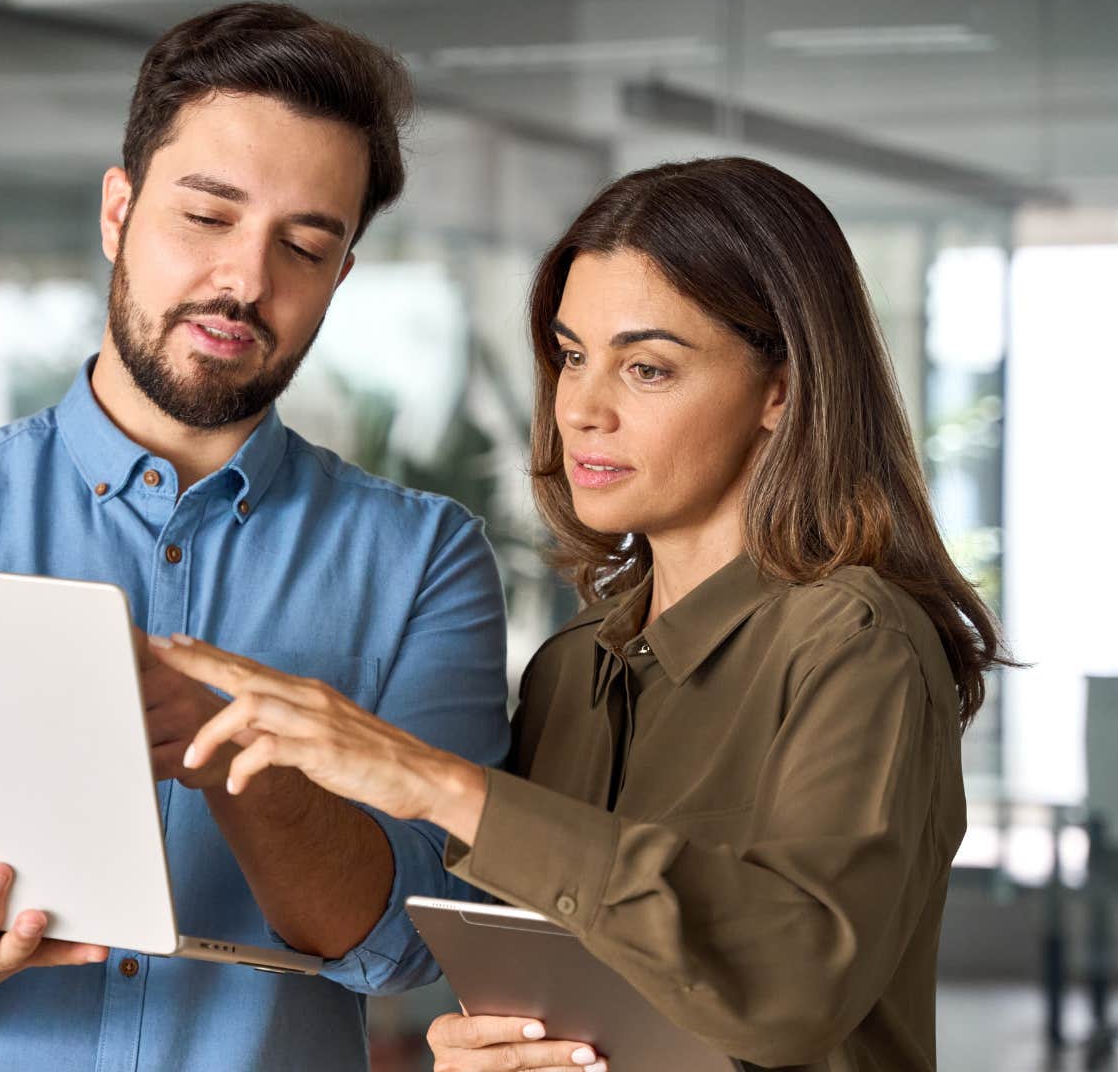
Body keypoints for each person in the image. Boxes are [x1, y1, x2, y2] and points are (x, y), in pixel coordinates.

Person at [0, 3, 512, 1070]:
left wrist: (224, 746)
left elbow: (408, 939)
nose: (246, 279)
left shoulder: (425, 560)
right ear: (118, 210)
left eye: (306, 244)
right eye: (208, 216)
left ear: (340, 277)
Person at [156, 156, 1011, 1072]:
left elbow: (797, 985)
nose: (583, 410)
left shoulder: (857, 642)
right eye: (571, 357)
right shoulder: (570, 672)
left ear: (782, 390)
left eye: (646, 368)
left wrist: (436, 783)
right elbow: (569, 996)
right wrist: (489, 1047)